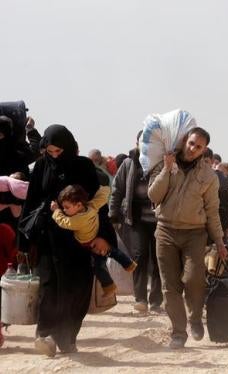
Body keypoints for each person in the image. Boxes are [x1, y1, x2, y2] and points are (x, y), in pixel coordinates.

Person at [20, 125, 116, 357]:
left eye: (58, 151)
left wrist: (104, 236)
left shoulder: (83, 166)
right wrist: (23, 240)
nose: (54, 156)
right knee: (49, 286)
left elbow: (97, 205)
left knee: (76, 288)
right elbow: (31, 201)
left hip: (79, 238)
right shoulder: (42, 165)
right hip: (49, 237)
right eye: (49, 151)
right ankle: (45, 335)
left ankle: (67, 338)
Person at [148, 127, 228, 349]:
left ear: (204, 150)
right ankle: (178, 333)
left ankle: (194, 318)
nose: (193, 149)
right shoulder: (166, 163)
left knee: (193, 278)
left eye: (199, 146)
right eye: (191, 143)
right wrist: (165, 169)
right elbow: (154, 196)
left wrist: (220, 241)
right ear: (185, 141)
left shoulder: (209, 176)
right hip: (165, 231)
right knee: (169, 286)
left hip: (194, 233)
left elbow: (212, 210)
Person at [109, 131, 163, 313]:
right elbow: (117, 190)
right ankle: (141, 299)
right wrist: (113, 214)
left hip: (160, 221)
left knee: (158, 259)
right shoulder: (128, 163)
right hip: (136, 219)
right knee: (139, 256)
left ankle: (156, 300)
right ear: (137, 143)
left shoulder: (162, 162)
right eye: (144, 141)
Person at [50, 184, 137, 296]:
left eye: (67, 207)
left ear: (78, 205)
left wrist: (56, 210)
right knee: (112, 252)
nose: (65, 210)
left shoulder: (78, 220)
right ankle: (129, 264)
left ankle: (109, 286)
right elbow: (101, 198)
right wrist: (104, 188)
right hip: (97, 239)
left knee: (99, 266)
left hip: (91, 244)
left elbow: (64, 221)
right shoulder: (92, 206)